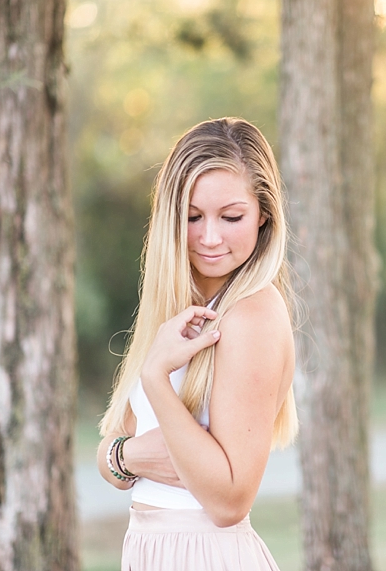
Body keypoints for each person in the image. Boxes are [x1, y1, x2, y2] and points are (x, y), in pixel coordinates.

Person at [96, 117, 298, 571]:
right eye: (192, 217)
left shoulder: (252, 314)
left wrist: (155, 380)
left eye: (231, 217)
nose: (209, 238)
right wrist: (127, 456)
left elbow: (229, 503)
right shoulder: (173, 306)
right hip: (151, 550)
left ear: (264, 213)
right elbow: (111, 452)